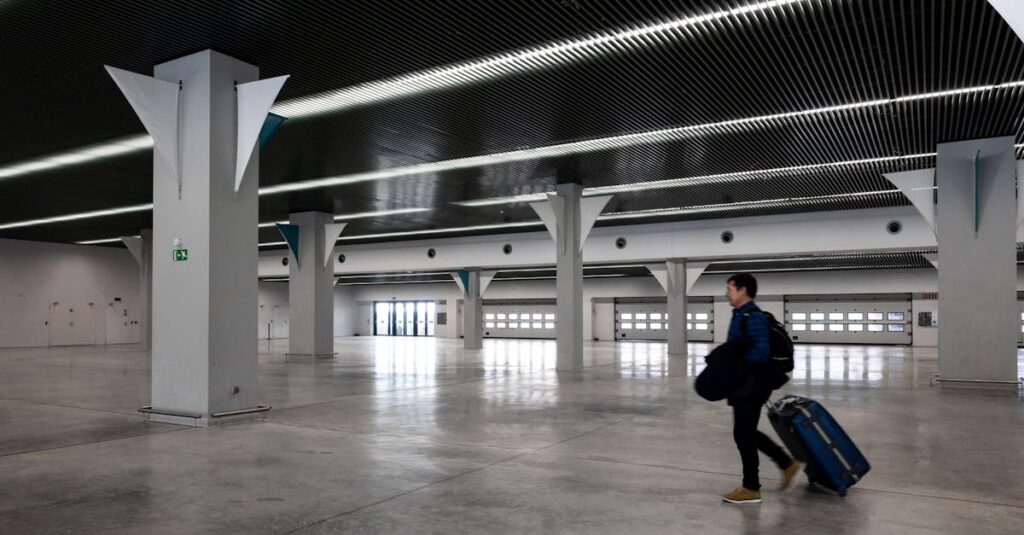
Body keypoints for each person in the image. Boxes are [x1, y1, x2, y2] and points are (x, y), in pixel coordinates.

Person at [721, 273, 801, 505]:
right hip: (743, 383)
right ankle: (785, 465)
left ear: (743, 290)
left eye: (730, 288)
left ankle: (752, 487)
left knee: (744, 433)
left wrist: (735, 359)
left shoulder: (753, 317)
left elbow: (760, 353)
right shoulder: (741, 314)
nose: (727, 293)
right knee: (744, 432)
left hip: (752, 384)